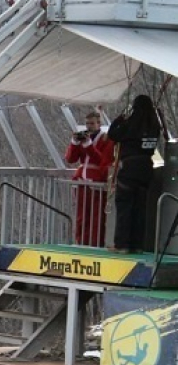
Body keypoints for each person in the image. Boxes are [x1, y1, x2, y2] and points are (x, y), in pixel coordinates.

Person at [107, 94, 162, 253]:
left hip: (130, 168)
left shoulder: (131, 124)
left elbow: (113, 134)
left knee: (125, 206)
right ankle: (137, 245)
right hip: (146, 168)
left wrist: (119, 119)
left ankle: (122, 244)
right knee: (140, 208)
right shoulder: (154, 126)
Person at [65, 111, 114, 247]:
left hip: (97, 182)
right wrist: (74, 143)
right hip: (82, 182)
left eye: (92, 123)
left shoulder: (106, 139)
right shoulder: (84, 138)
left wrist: (89, 145)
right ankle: (80, 242)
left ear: (99, 124)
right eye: (87, 124)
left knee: (97, 217)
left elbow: (102, 160)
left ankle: (95, 244)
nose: (89, 126)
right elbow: (70, 158)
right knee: (81, 216)